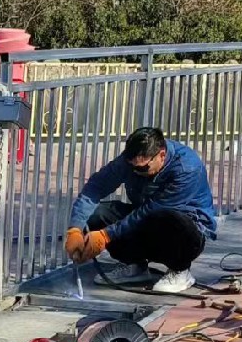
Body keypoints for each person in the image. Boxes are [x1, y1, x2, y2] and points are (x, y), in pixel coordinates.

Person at [66, 125, 218, 293]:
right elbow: (95, 187)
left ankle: (180, 271)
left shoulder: (187, 168)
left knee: (166, 218)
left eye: (142, 168)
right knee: (97, 214)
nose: (136, 172)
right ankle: (134, 265)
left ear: (161, 155)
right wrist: (75, 228)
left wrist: (106, 235)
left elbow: (152, 210)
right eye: (133, 167)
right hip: (146, 222)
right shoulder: (130, 161)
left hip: (184, 232)